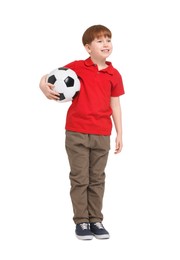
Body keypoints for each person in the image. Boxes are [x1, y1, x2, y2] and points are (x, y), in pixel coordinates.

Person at [39, 24, 125, 240]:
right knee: (80, 178)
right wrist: (42, 85)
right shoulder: (77, 67)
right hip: (76, 132)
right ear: (88, 48)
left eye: (108, 39)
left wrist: (119, 134)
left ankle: (96, 219)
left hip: (102, 134)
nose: (105, 44)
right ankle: (82, 222)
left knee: (97, 178)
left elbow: (115, 105)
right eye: (99, 40)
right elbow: (49, 76)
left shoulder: (114, 74)